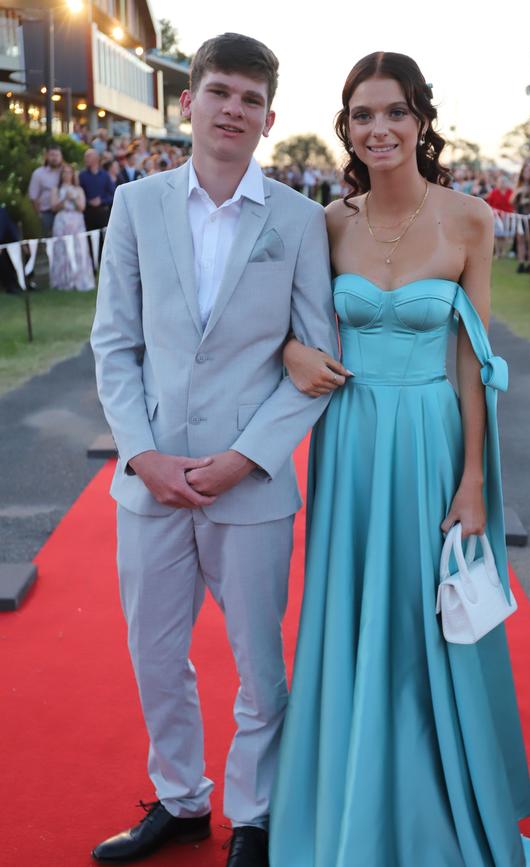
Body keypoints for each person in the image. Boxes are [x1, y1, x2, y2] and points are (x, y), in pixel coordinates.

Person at [270, 51, 530, 867]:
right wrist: (294, 348)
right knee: (356, 609)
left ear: (422, 120)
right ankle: (353, 795)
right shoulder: (325, 223)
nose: (379, 128)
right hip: (351, 440)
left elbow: (472, 356)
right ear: (347, 129)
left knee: (428, 615)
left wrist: (474, 479)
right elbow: (283, 326)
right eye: (363, 115)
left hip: (433, 436)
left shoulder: (471, 219)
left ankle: (439, 794)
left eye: (394, 112)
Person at [90, 32, 339, 867]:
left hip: (250, 485)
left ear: (270, 119)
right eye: (221, 91)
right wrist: (141, 454)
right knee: (156, 654)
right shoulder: (135, 205)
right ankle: (182, 801)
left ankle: (256, 815)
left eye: (251, 99)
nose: (234, 108)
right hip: (150, 482)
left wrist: (246, 457)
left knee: (259, 664)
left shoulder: (302, 221)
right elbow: (114, 344)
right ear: (188, 99)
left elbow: (315, 357)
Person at [50, 163, 95, 291]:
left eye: (69, 172)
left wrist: (73, 199)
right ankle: (63, 281)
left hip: (76, 221)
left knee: (78, 249)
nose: (66, 175)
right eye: (64, 172)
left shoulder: (78, 189)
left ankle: (79, 279)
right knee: (62, 249)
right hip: (61, 221)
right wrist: (64, 198)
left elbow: (82, 207)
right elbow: (53, 207)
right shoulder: (56, 189)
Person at [512, 162, 530, 273]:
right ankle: (521, 263)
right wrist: (517, 194)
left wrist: (529, 200)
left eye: (529, 171)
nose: (527, 173)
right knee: (520, 240)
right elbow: (511, 200)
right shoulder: (519, 184)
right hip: (520, 215)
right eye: (525, 171)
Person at [27, 145, 62, 237]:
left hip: (64, 213)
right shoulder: (38, 174)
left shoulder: (65, 172)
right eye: (52, 155)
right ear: (46, 156)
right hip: (47, 213)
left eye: (57, 155)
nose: (54, 158)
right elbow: (33, 197)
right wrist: (39, 215)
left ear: (61, 157)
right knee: (48, 242)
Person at [79, 148, 114, 232]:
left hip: (103, 215)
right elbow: (79, 193)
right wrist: (88, 201)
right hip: (88, 215)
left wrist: (101, 201)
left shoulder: (105, 175)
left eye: (88, 156)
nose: (85, 159)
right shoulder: (82, 175)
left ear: (96, 158)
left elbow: (112, 195)